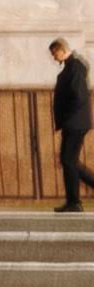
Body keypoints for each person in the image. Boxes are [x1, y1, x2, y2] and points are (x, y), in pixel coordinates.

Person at [53, 40, 91, 214]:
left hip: (75, 122)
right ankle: (73, 201)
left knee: (68, 160)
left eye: (54, 54)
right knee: (69, 161)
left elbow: (79, 95)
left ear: (61, 50)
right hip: (74, 121)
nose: (54, 58)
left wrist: (68, 116)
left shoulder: (74, 67)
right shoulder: (71, 67)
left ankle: (74, 202)